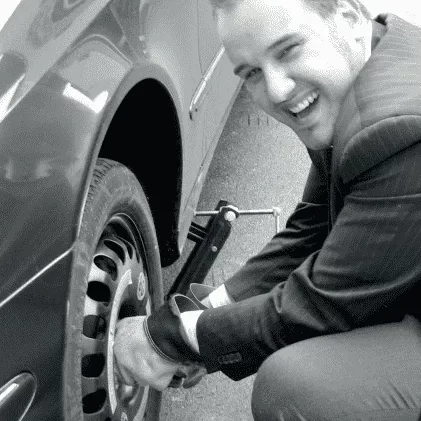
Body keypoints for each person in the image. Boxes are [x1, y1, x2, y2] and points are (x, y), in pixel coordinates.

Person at [114, 0, 421, 419]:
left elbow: (322, 306)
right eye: (252, 73)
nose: (276, 91)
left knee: (296, 390)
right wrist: (207, 311)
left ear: (349, 17)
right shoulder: (363, 66)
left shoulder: (397, 132)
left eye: (288, 49)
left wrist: (173, 339)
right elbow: (312, 228)